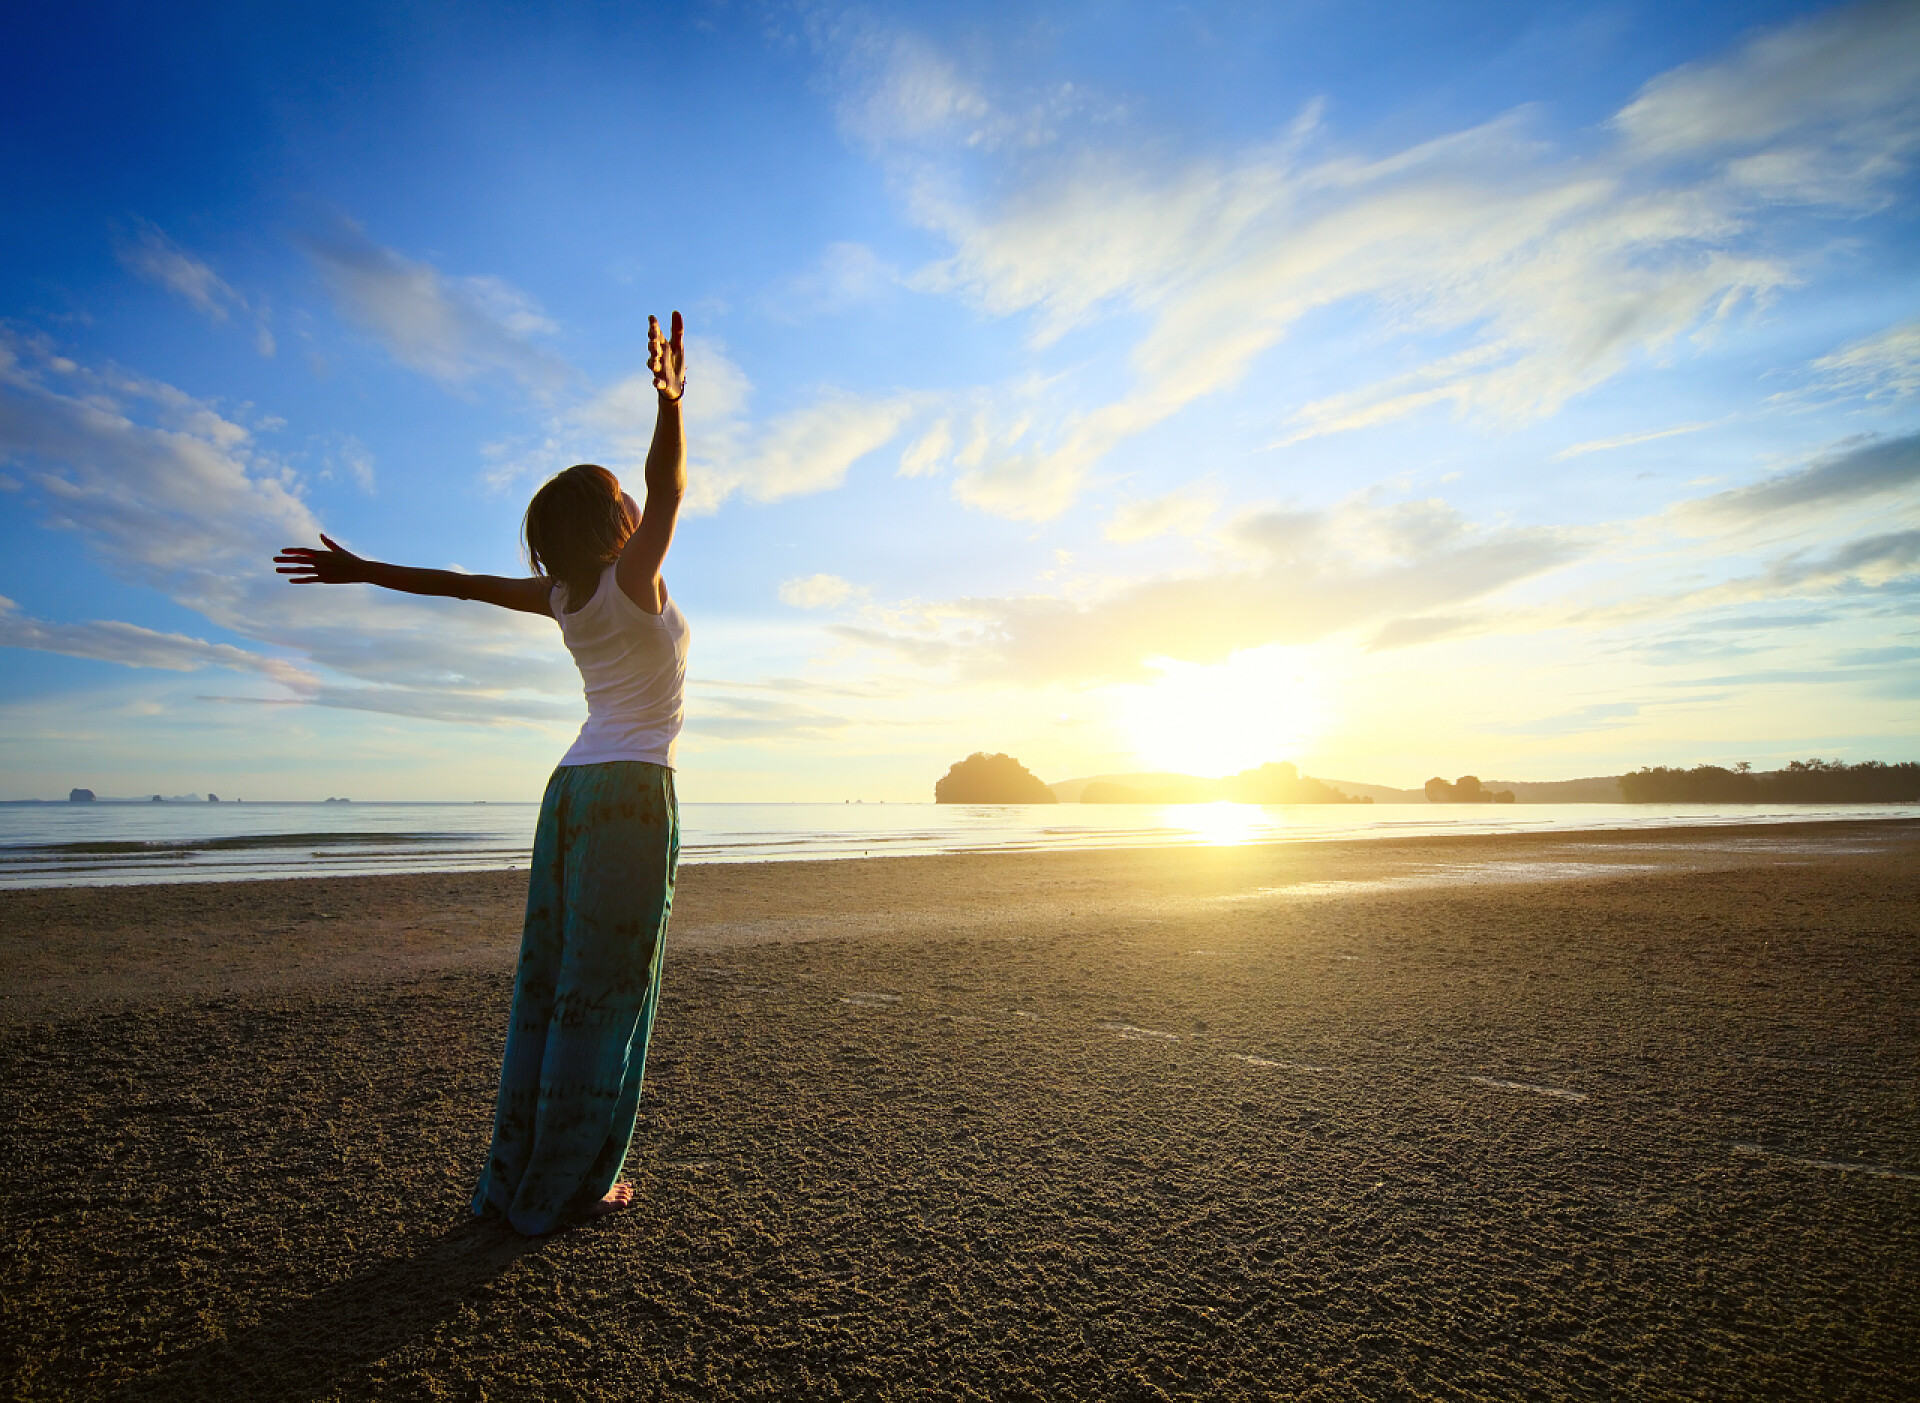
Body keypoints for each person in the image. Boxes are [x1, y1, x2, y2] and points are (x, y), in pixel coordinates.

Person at [275, 312, 689, 1235]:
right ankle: (571, 1186)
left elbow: (459, 584)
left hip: (571, 793)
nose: (636, 502)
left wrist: (363, 571)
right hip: (629, 793)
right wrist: (669, 404)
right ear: (613, 522)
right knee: (606, 993)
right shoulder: (630, 582)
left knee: (552, 984)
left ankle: (520, 1177)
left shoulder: (565, 596)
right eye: (621, 495)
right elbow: (670, 488)